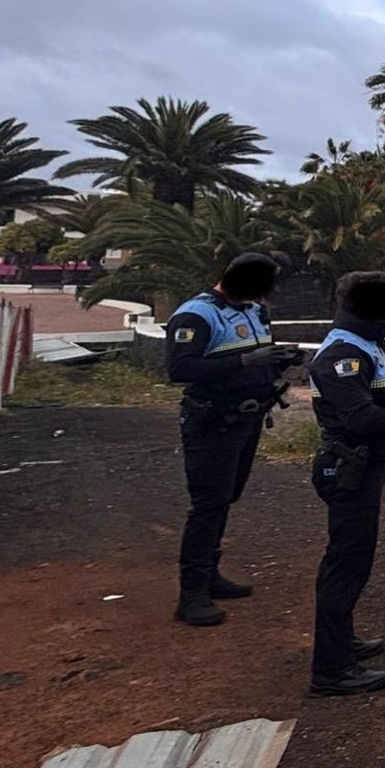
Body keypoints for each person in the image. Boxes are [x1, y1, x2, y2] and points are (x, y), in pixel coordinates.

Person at [305, 271, 385, 697]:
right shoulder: (341, 354)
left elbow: (380, 399)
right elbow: (359, 418)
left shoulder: (367, 346)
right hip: (348, 469)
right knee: (346, 564)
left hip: (363, 467)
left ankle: (343, 643)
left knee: (353, 562)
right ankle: (331, 670)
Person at [164, 252, 303, 626]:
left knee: (227, 499)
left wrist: (279, 360)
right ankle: (191, 593)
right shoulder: (197, 314)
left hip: (248, 419)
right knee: (208, 504)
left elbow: (257, 358)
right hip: (212, 422)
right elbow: (180, 368)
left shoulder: (254, 311)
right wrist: (245, 362)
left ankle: (210, 574)